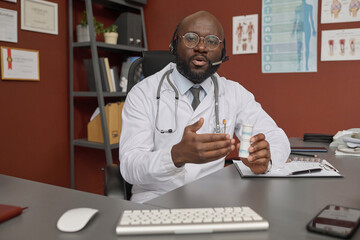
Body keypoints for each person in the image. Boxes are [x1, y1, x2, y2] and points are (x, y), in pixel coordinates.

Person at [119, 11, 290, 203]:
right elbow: (129, 166)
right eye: (191, 38)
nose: (201, 47)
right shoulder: (143, 93)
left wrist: (266, 159)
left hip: (212, 200)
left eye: (211, 41)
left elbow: (277, 139)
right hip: (156, 200)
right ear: (174, 45)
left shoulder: (234, 93)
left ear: (222, 53)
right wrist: (175, 156)